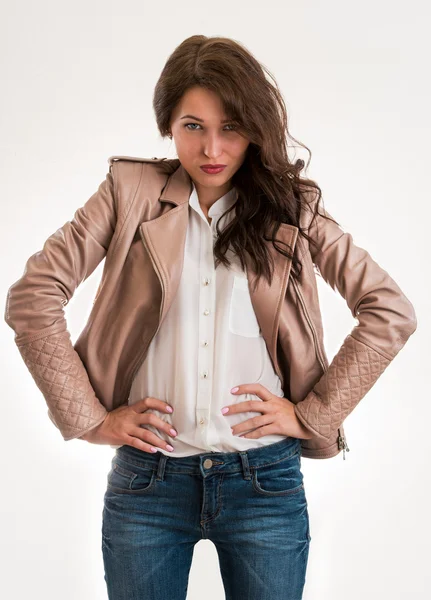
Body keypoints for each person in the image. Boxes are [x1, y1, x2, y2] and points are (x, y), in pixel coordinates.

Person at [4, 35, 417, 600]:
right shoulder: (128, 192)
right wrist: (90, 417)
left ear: (254, 128)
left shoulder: (292, 208)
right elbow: (33, 296)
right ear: (168, 126)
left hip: (264, 483)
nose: (213, 147)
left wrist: (315, 415)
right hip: (147, 484)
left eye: (231, 127)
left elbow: (389, 310)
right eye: (193, 126)